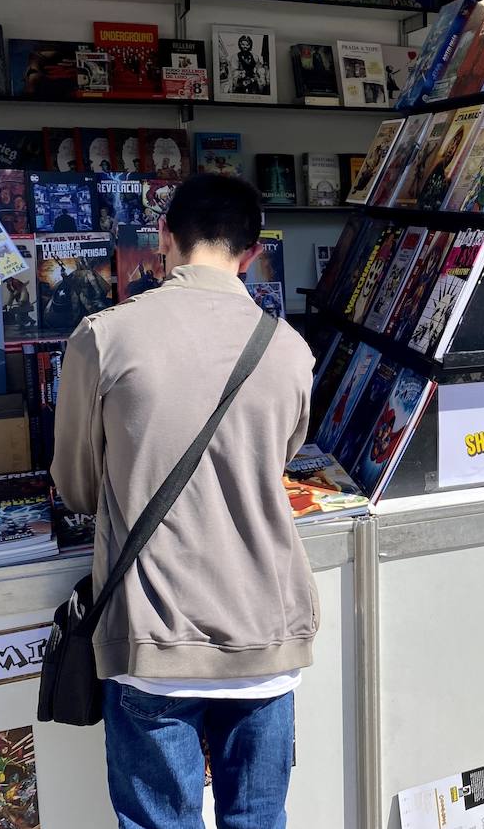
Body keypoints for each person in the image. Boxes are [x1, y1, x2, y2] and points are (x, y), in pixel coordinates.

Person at [51, 174, 318, 829]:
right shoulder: (290, 350)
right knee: (259, 817)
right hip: (266, 639)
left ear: (164, 236)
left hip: (155, 642)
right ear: (252, 254)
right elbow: (276, 464)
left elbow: (79, 488)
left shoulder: (103, 337)